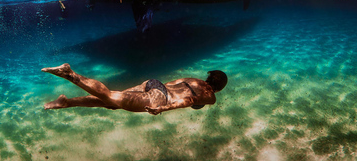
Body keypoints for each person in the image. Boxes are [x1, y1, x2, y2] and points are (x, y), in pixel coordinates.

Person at [42, 63, 228, 115]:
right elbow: (189, 101)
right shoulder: (210, 96)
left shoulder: (193, 80)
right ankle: (70, 74)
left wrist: (154, 91)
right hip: (160, 98)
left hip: (155, 84)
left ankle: (66, 102)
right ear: (219, 88)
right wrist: (163, 107)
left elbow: (170, 84)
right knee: (110, 96)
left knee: (112, 103)